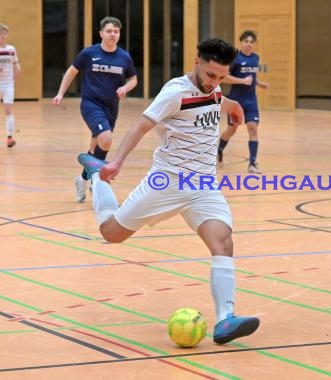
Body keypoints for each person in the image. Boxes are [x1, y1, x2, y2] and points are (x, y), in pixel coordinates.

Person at [76, 38, 260, 344]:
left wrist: (231, 103)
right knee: (112, 233)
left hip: (202, 185)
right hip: (167, 182)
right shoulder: (175, 92)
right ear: (197, 61)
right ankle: (96, 175)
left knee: (223, 242)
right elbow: (141, 126)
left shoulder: (213, 87)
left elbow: (213, 98)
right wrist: (117, 161)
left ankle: (226, 320)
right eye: (211, 74)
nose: (215, 82)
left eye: (221, 77)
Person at [52, 16, 137, 203]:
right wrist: (60, 93)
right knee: (106, 139)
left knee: (97, 146)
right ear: (101, 33)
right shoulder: (89, 53)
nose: (113, 34)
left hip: (111, 107)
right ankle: (97, 180)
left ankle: (82, 179)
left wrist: (125, 88)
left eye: (116, 31)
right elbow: (72, 71)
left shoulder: (124, 57)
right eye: (109, 31)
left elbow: (133, 79)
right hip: (91, 104)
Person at [217, 30, 269, 174]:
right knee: (232, 129)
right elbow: (225, 77)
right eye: (246, 41)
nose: (249, 44)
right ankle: (219, 148)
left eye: (251, 42)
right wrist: (242, 81)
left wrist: (259, 83)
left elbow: (251, 76)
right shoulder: (235, 59)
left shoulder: (255, 58)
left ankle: (252, 164)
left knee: (253, 128)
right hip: (236, 101)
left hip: (251, 101)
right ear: (241, 42)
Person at [0, 23, 21, 148]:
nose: (2, 36)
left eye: (3, 34)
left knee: (8, 110)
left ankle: (9, 137)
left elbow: (16, 64)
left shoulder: (11, 49)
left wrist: (17, 69)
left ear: (7, 35)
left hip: (8, 84)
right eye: (0, 34)